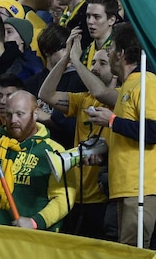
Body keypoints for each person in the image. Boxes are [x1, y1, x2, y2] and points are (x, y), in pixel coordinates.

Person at [86, 23, 156, 246]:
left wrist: (112, 121)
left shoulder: (147, 83)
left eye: (111, 48)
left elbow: (155, 131)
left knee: (132, 252)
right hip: (127, 186)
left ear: (121, 53)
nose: (107, 53)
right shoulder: (129, 86)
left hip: (143, 188)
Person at [38, 42, 115, 239]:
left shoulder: (120, 98)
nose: (94, 68)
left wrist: (75, 60)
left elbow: (102, 94)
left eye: (102, 63)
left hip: (103, 197)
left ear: (115, 69)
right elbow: (45, 94)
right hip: (76, 194)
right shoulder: (83, 99)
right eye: (93, 62)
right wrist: (65, 59)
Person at [0, 91, 76, 231]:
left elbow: (64, 199)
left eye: (20, 114)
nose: (13, 121)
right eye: (9, 114)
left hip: (28, 239)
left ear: (35, 113)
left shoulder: (54, 151)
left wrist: (35, 222)